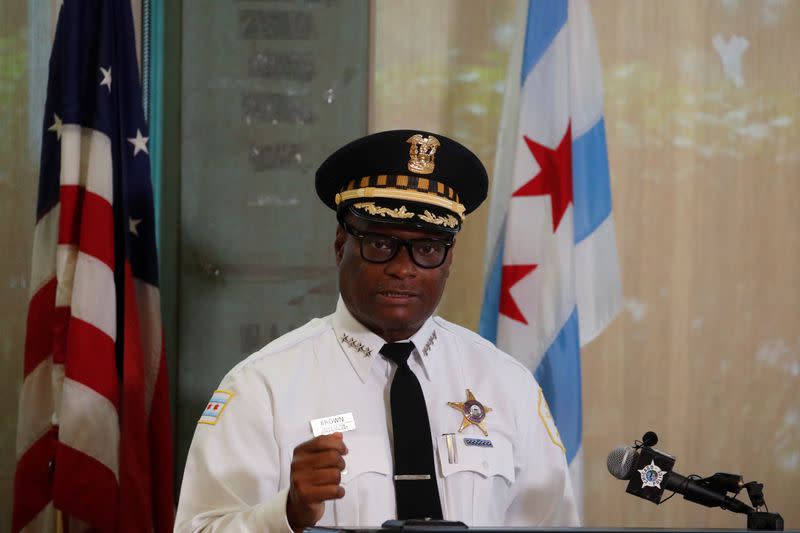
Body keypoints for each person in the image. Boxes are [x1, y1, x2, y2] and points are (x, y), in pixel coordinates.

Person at [175, 130, 579, 532]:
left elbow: (555, 526)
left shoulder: (508, 384)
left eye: (427, 248)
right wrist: (287, 513)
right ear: (340, 246)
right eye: (380, 243)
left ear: (448, 259)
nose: (403, 268)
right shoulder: (264, 387)